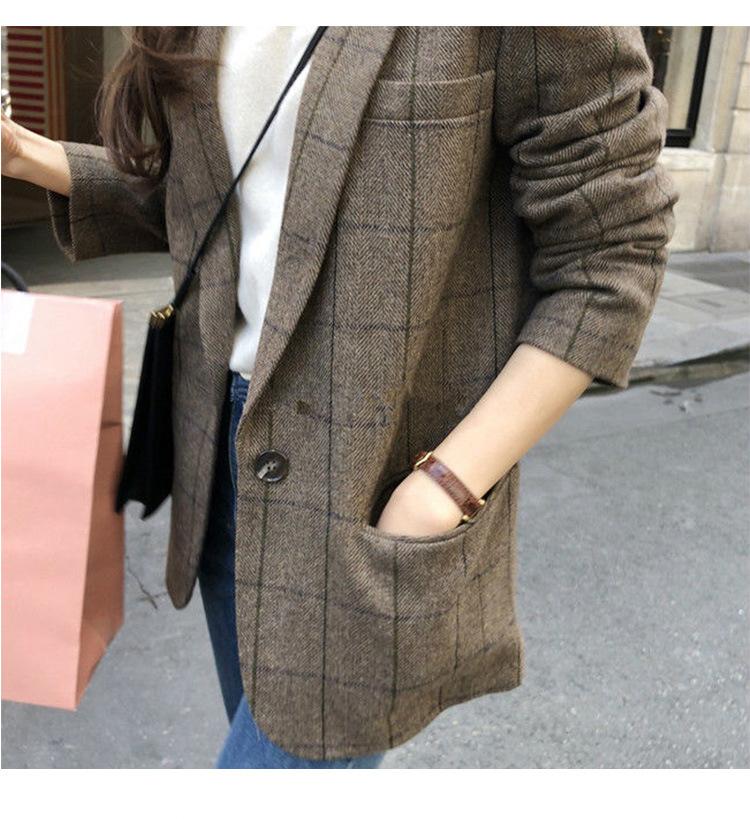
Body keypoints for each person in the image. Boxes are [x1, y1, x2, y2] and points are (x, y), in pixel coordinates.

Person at [1, 25, 678, 768]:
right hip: (221, 459)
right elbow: (225, 202)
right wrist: (24, 154)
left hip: (371, 484)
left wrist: (445, 486)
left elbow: (612, 255)